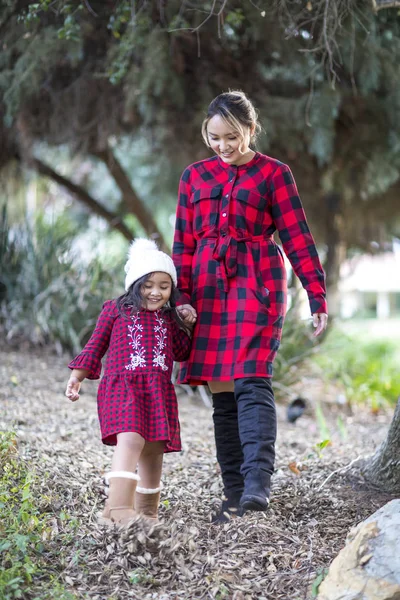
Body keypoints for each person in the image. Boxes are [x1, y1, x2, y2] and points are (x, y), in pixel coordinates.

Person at [172, 90, 328, 523]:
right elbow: (183, 244)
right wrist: (180, 298)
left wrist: (316, 294)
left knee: (252, 379)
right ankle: (233, 493)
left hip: (257, 285)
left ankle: (258, 484)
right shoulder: (193, 178)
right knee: (221, 391)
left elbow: (297, 237)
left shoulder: (275, 174)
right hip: (206, 289)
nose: (223, 146)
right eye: (215, 137)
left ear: (251, 131)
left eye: (232, 137)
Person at [65, 238, 195, 526]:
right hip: (123, 388)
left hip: (158, 390)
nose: (155, 292)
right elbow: (95, 345)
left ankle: (147, 513)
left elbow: (182, 352)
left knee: (154, 447)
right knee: (132, 439)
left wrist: (187, 323)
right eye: (148, 285)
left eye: (164, 286)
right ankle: (119, 506)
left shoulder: (169, 318)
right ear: (135, 284)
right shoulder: (116, 309)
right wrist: (77, 377)